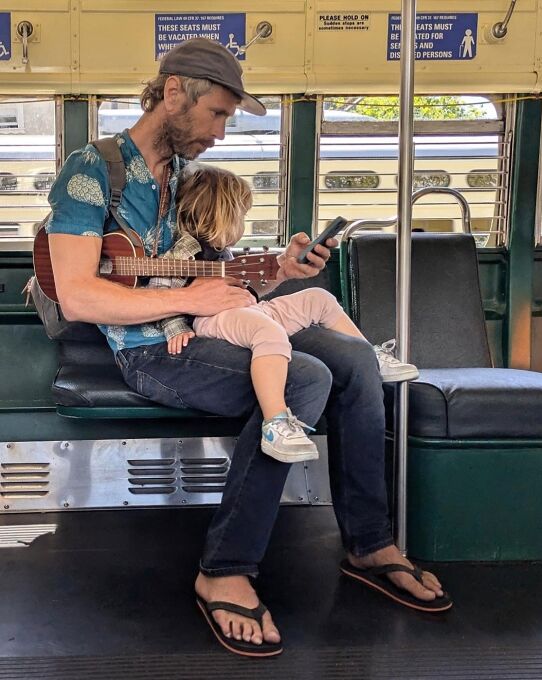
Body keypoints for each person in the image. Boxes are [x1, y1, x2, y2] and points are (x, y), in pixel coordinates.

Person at [46, 37, 451, 658]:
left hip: (207, 326)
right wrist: (189, 302)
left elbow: (210, 273)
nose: (222, 132)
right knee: (304, 378)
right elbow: (77, 296)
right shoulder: (91, 171)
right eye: (218, 114)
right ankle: (224, 567)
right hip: (151, 350)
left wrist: (281, 272)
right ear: (175, 92)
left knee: (354, 359)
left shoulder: (182, 178)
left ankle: (370, 542)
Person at [151, 163, 420, 464]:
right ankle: (276, 421)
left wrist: (275, 272)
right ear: (222, 213)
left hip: (244, 309)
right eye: (241, 216)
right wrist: (175, 325)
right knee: (270, 332)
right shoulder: (185, 249)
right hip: (212, 319)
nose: (242, 224)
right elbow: (162, 288)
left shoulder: (224, 252)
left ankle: (370, 356)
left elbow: (247, 290)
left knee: (318, 298)